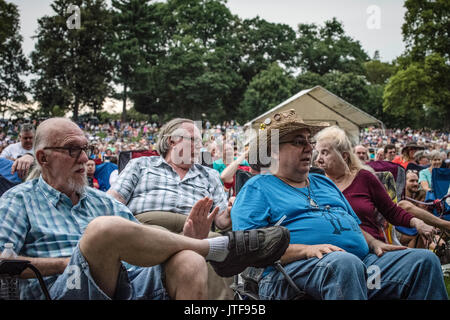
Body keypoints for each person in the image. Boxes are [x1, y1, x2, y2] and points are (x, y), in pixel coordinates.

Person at [0, 117, 289, 300]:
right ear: (43, 157)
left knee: (188, 259)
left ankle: (204, 246)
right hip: (62, 289)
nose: (84, 158)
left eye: (86, 148)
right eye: (73, 149)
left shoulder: (101, 203)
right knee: (103, 229)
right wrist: (71, 264)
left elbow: (134, 241)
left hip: (150, 257)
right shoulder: (19, 199)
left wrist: (196, 234)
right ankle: (219, 248)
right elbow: (3, 262)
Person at [231, 110, 447, 300]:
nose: (309, 148)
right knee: (344, 265)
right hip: (289, 276)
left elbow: (350, 222)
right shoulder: (258, 187)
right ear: (274, 150)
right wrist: (305, 250)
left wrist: (373, 243)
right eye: (299, 142)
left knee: (423, 261)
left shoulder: (323, 181)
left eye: (310, 141)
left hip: (362, 266)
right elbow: (249, 248)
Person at [107, 118, 234, 299]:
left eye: (200, 142)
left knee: (225, 249)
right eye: (194, 140)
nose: (200, 146)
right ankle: (187, 242)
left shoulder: (210, 175)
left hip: (199, 230)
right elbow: (113, 202)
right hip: (147, 227)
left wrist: (229, 213)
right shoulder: (141, 165)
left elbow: (221, 220)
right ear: (171, 141)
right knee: (189, 247)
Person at [315, 126, 450, 249]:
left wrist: (417, 222)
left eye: (325, 153)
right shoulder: (316, 185)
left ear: (344, 156)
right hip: (333, 252)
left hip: (372, 250)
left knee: (426, 259)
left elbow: (391, 211)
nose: (318, 159)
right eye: (318, 153)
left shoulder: (364, 178)